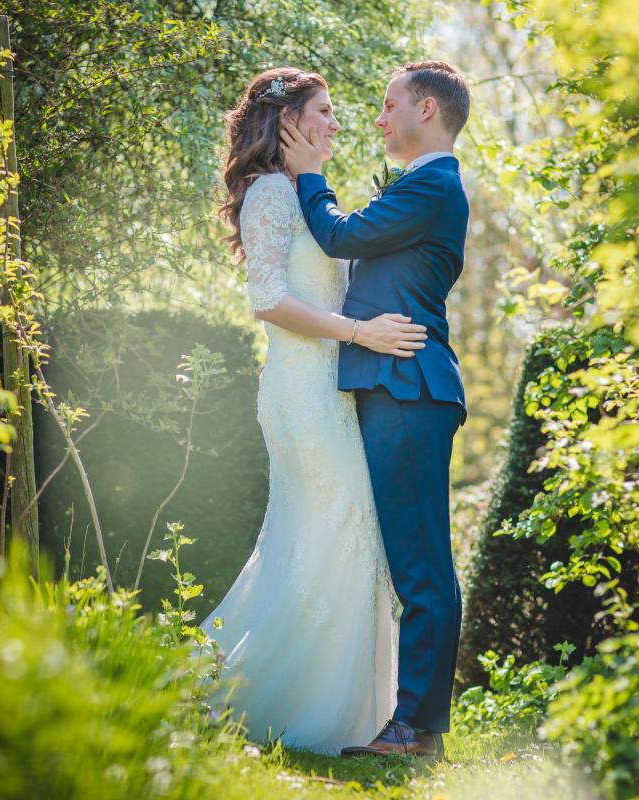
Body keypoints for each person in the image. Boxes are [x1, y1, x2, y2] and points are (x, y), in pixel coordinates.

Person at [197, 66, 428, 755]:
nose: (337, 122)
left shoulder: (302, 194)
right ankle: (302, 708)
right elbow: (267, 299)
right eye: (324, 110)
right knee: (344, 527)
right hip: (302, 394)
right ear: (288, 122)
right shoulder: (269, 192)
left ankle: (332, 708)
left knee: (322, 538)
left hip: (330, 392)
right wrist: (361, 334)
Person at [280, 60, 471, 761]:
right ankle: (417, 726)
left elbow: (340, 236)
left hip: (408, 386)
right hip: (394, 384)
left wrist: (308, 175)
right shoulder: (425, 184)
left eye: (389, 105)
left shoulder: (432, 181)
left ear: (426, 107)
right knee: (412, 559)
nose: (379, 118)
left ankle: (417, 729)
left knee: (421, 563)